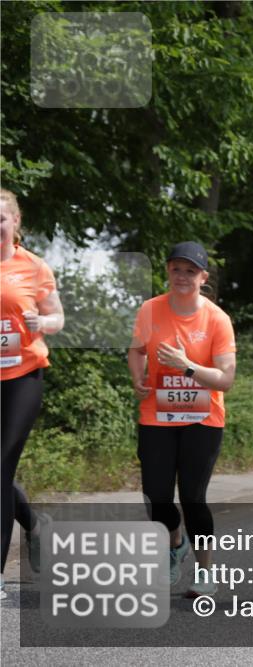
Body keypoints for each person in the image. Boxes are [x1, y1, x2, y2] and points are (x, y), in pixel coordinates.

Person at [128, 241, 236, 597]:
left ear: (203, 277)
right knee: (156, 495)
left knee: (193, 496)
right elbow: (137, 350)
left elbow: (225, 379)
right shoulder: (150, 310)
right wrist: (138, 378)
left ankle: (205, 571)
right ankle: (175, 542)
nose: (182, 276)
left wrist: (186, 366)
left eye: (191, 271)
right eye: (177, 269)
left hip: (202, 419)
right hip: (157, 415)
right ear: (168, 272)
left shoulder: (217, 319)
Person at [1, 188, 64, 599]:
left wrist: (41, 320)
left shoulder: (34, 267)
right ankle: (36, 524)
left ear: (15, 222)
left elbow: (58, 317)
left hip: (23, 377)